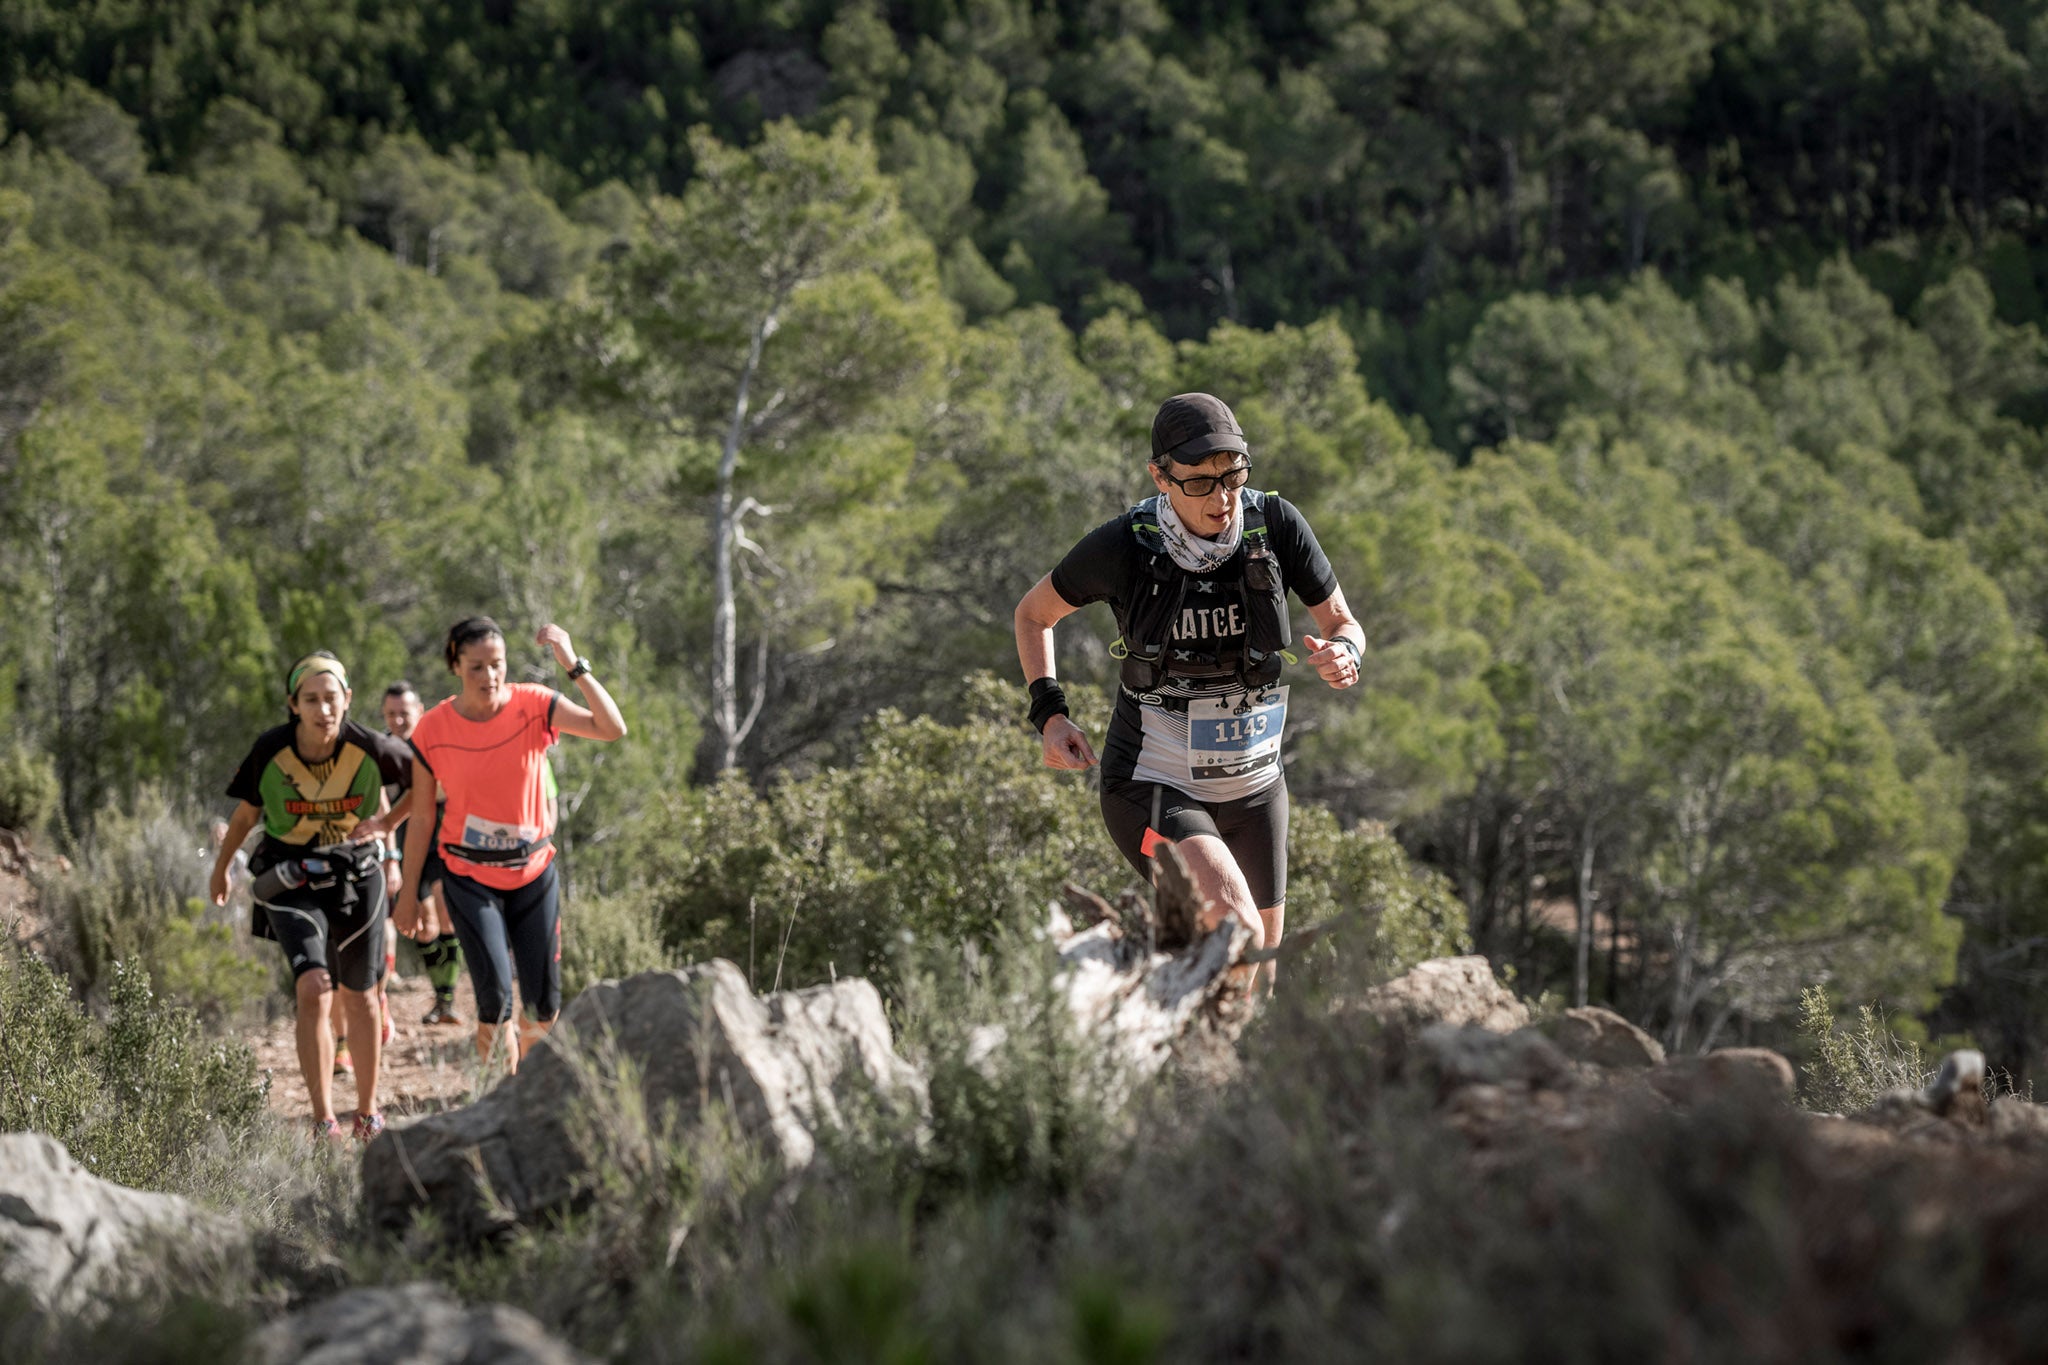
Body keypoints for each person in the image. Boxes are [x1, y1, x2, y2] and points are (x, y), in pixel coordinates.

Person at [1012, 393, 1366, 986]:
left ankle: (1206, 1074)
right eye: (1199, 483)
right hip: (1153, 782)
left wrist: (1344, 653)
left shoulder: (1276, 524)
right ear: (1160, 475)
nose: (1221, 499)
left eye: (1233, 477)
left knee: (1256, 973)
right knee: (1235, 927)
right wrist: (1050, 714)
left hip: (1256, 787)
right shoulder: (1124, 543)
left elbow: (1341, 622)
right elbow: (1033, 614)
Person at [395, 619, 626, 1072]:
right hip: (468, 875)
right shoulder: (433, 728)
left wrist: (572, 664)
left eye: (497, 665)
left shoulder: (534, 705)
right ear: (456, 665)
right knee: (495, 998)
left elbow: (611, 727)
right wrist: (407, 895)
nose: (489, 676)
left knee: (543, 1002)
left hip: (533, 871)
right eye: (477, 667)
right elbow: (421, 818)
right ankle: (499, 1097)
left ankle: (531, 1095)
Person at [209, 652, 413, 1139]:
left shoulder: (369, 747)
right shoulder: (272, 749)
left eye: (332, 699)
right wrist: (221, 871)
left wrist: (386, 826)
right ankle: (323, 1118)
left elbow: (427, 782)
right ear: (293, 704)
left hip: (357, 874)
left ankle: (367, 1112)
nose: (324, 710)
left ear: (348, 700)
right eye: (311, 700)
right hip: (290, 877)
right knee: (313, 988)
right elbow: (244, 817)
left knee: (361, 995)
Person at [381, 680, 466, 1027]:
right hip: (405, 845)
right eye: (391, 714)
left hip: (444, 838)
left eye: (404, 712)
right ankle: (440, 997)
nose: (398, 720)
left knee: (446, 915)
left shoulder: (436, 743)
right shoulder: (382, 753)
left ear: (420, 710)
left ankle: (447, 1001)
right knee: (424, 926)